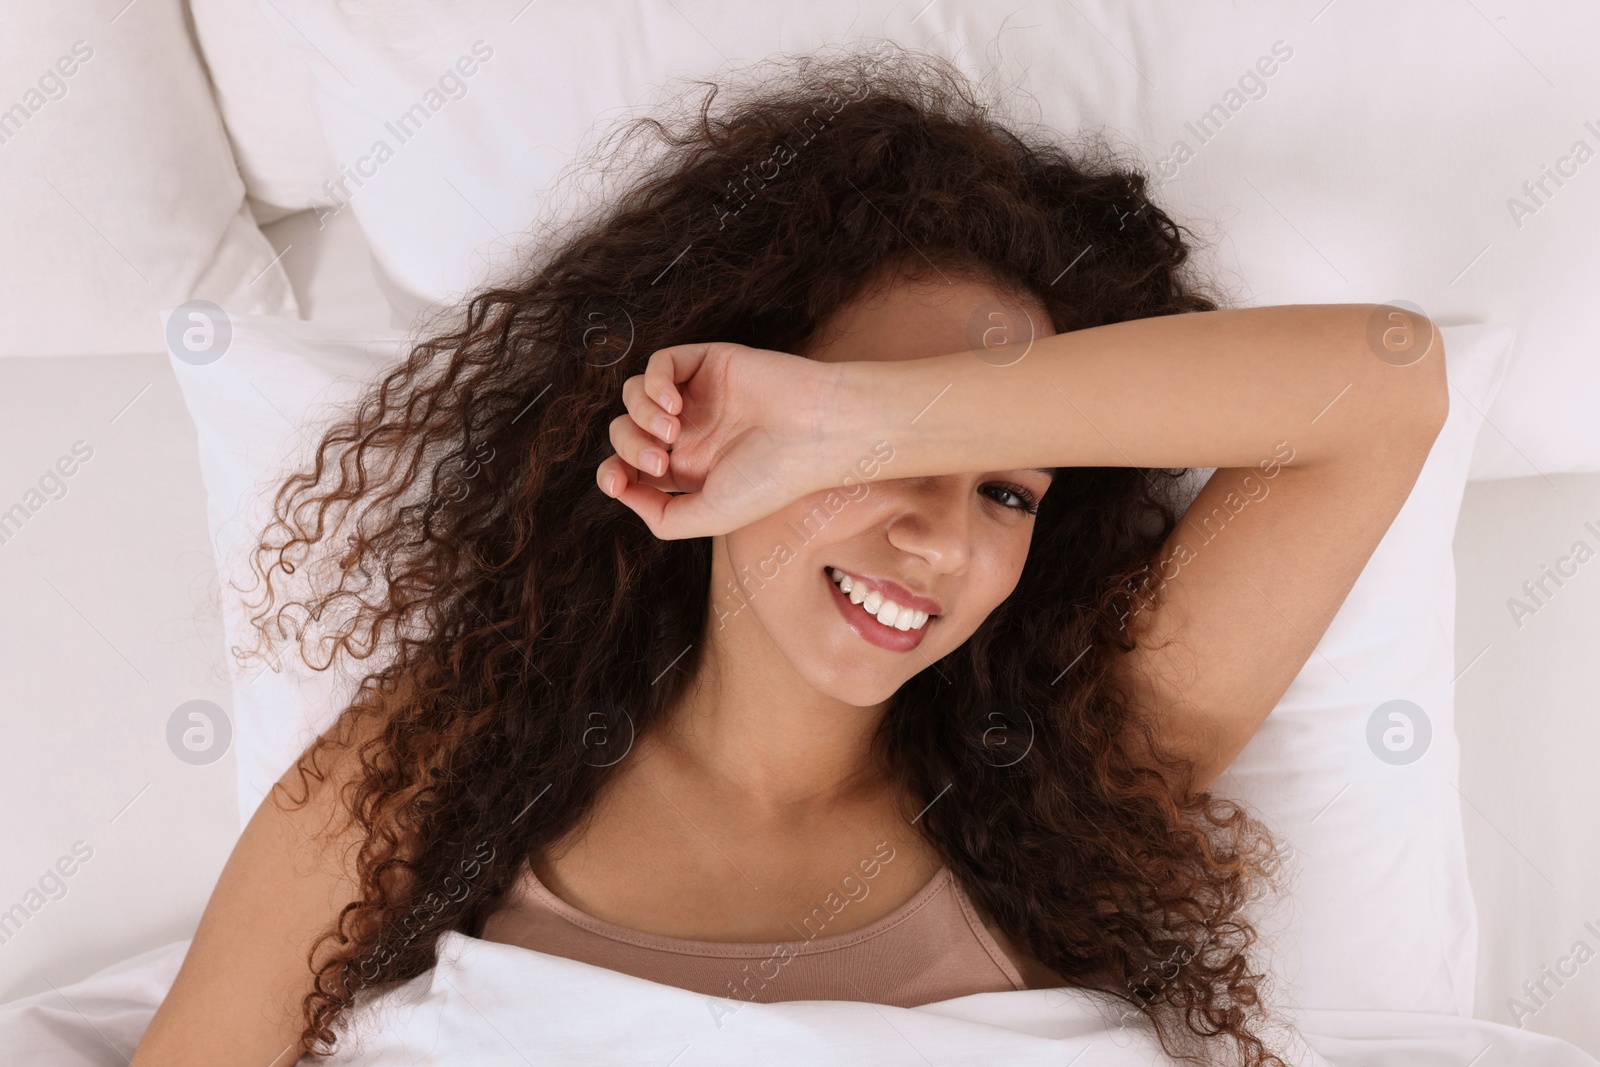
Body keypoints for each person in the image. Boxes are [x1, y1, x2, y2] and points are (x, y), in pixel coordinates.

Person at [131, 43, 1446, 1067]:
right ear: (720, 416)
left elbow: (1393, 383)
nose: (937, 537)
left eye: (1006, 490)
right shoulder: (443, 762)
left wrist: (858, 420)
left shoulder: (1069, 778)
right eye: (871, 461)